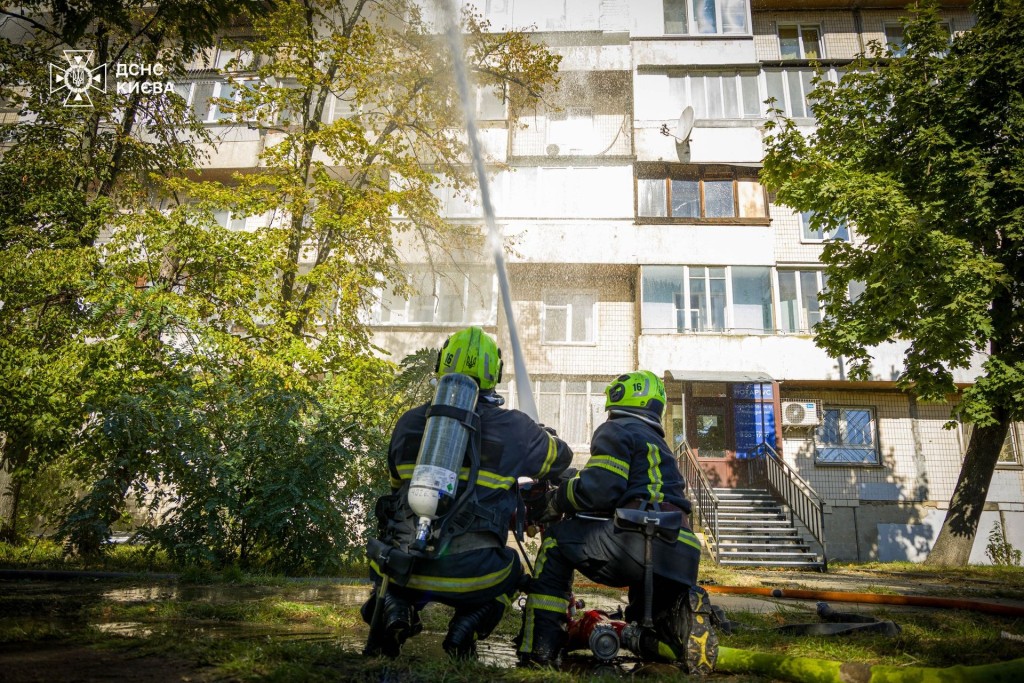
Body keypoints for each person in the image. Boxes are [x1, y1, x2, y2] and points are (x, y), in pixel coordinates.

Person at [362, 326, 573, 659]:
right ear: (495, 374)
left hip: (400, 567)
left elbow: (395, 493)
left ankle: (394, 608)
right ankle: (465, 628)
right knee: (512, 570)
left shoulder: (408, 424)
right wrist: (540, 434)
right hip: (474, 574)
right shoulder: (515, 428)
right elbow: (561, 459)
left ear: (441, 365)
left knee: (394, 558)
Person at [517, 370, 717, 672]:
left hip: (638, 540)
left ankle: (540, 647)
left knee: (557, 543)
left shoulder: (617, 430)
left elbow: (599, 488)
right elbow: (625, 491)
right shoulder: (660, 447)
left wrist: (557, 500)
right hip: (680, 550)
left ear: (618, 399)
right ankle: (675, 628)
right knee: (645, 617)